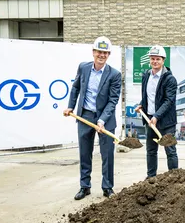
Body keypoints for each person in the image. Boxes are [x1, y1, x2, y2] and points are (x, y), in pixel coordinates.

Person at [63, 36, 121, 200]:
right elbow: (75, 88)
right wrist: (70, 106)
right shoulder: (84, 67)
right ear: (93, 52)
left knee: (107, 154)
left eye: (105, 53)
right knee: (85, 153)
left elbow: (112, 100)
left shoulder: (114, 75)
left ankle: (107, 187)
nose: (101, 55)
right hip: (85, 116)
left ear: (108, 54)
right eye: (99, 52)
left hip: (105, 119)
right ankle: (85, 186)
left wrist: (102, 120)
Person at [135, 45, 178, 178]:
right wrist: (142, 105)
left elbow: (168, 100)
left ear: (163, 60)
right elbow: (148, 96)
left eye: (157, 59)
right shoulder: (146, 75)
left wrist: (157, 116)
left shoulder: (170, 79)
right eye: (152, 59)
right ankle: (151, 178)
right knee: (151, 151)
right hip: (150, 120)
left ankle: (174, 178)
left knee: (170, 150)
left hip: (166, 122)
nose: (155, 61)